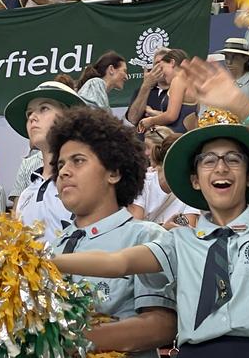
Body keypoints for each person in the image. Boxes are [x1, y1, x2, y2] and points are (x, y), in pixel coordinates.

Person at [52, 58, 249, 357]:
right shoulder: (179, 240)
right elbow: (118, 263)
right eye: (209, 160)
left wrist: (242, 107)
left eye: (233, 159)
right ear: (195, 180)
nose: (221, 168)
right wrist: (44, 260)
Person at [47, 106, 176, 357]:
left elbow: (161, 326)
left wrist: (66, 341)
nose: (63, 171)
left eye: (78, 161)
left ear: (114, 173)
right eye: (60, 164)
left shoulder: (145, 236)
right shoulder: (53, 247)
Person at [4, 81, 85, 242]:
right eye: (29, 114)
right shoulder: (26, 195)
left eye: (44, 108)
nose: (32, 117)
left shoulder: (88, 179)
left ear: (69, 117)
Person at [130, 133, 200, 230]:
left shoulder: (191, 191)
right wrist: (164, 228)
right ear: (167, 159)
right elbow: (134, 229)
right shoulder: (143, 182)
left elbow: (187, 231)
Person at [137, 49, 198, 133]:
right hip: (185, 135)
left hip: (176, 138)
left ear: (172, 63)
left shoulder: (178, 80)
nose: (162, 72)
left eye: (162, 67)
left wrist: (150, 121)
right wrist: (152, 112)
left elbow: (171, 116)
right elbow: (182, 114)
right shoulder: (189, 81)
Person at [125, 47, 171, 126]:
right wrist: (146, 86)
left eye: (165, 62)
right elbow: (133, 119)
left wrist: (153, 114)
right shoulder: (142, 90)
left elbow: (179, 120)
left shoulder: (180, 90)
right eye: (157, 63)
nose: (161, 66)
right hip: (142, 137)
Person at [77, 51, 128, 116]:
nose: (126, 77)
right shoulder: (96, 83)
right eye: (124, 71)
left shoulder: (99, 90)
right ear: (111, 69)